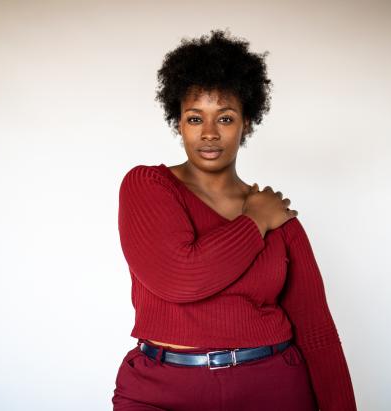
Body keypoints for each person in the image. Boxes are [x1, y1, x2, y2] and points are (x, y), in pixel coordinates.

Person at [112, 29, 357, 411]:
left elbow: (317, 333)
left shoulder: (281, 220)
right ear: (179, 123)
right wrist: (254, 221)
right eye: (196, 118)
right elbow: (181, 277)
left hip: (272, 387)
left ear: (246, 123)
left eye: (225, 118)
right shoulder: (148, 185)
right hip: (161, 390)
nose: (209, 133)